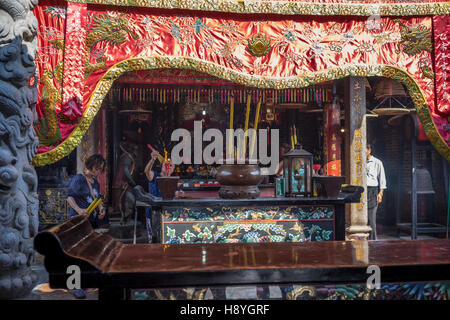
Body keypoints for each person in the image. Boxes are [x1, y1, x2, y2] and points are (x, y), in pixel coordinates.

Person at [66, 154, 107, 298]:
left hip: (90, 222)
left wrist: (101, 209)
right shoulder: (79, 179)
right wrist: (79, 210)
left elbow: (96, 199)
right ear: (90, 166)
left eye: (100, 169)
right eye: (96, 168)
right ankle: (74, 285)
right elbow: (69, 197)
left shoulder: (95, 182)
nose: (97, 172)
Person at [144, 150, 183, 243]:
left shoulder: (173, 181)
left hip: (167, 214)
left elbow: (175, 194)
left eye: (171, 166)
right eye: (166, 164)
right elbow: (147, 171)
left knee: (167, 240)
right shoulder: (155, 176)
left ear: (173, 169)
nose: (168, 167)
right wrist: (152, 160)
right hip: (154, 213)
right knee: (155, 241)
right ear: (161, 166)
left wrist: (179, 194)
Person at [366, 143, 387, 240]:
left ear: (369, 150)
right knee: (361, 220)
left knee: (371, 219)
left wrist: (380, 193)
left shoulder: (377, 162)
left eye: (365, 150)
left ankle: (373, 241)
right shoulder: (358, 162)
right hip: (361, 191)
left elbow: (382, 179)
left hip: (372, 190)